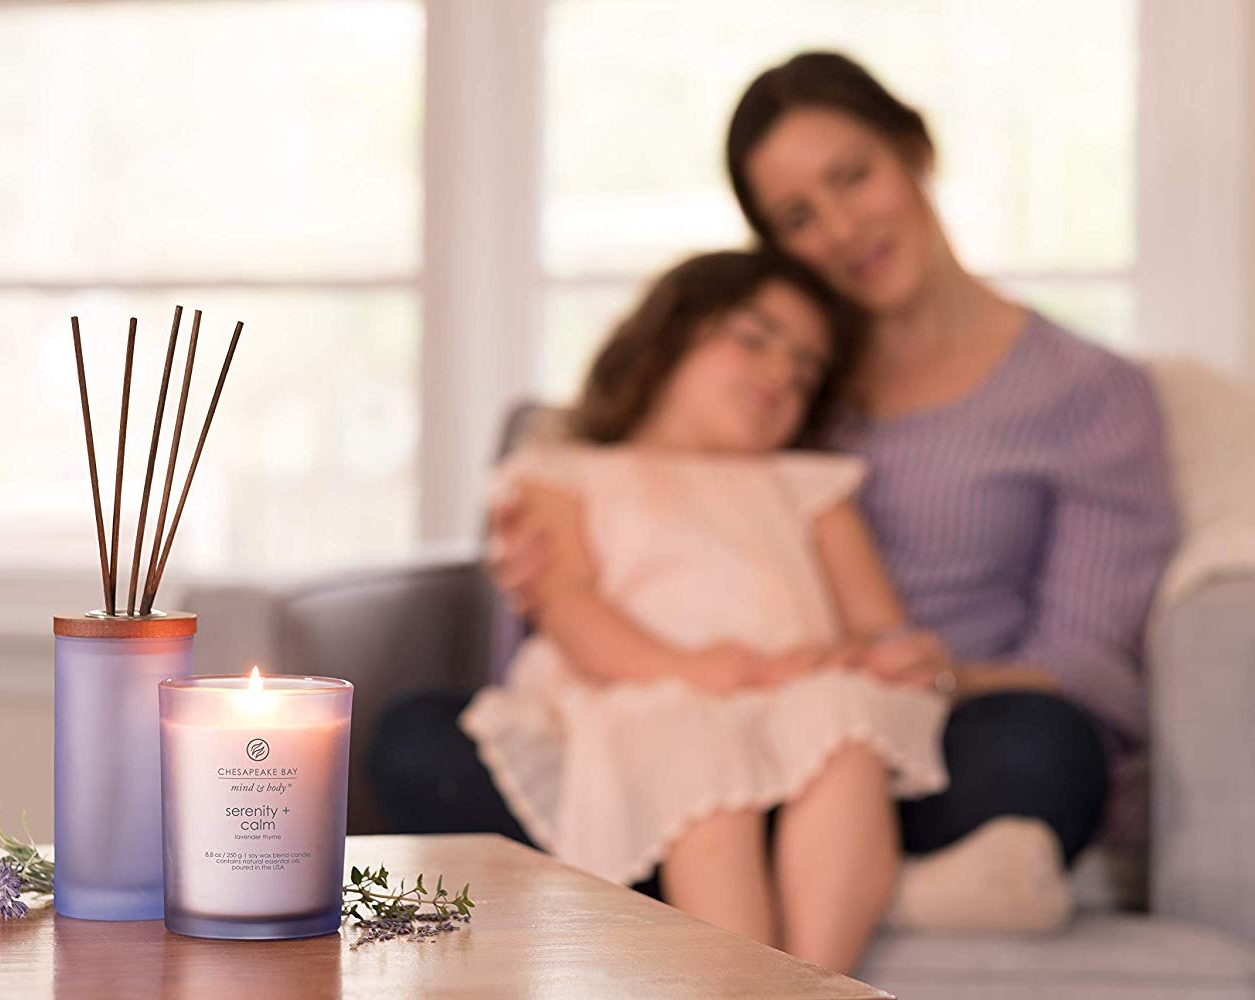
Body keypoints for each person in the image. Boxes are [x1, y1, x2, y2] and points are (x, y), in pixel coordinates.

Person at [491, 49, 1179, 913]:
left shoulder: (1090, 394)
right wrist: (538, 557)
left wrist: (939, 675)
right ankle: (905, 897)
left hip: (923, 730)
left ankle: (787, 892)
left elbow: (1087, 664)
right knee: (424, 741)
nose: (844, 230)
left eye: (853, 176)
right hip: (699, 725)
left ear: (914, 149)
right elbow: (627, 481)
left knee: (1043, 750)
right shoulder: (767, 399)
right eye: (799, 217)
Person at [457, 248, 948, 973]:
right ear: (667, 337)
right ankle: (749, 984)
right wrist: (704, 670)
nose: (781, 373)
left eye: (805, 370)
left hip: (795, 690)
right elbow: (573, 611)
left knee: (848, 725)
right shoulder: (563, 472)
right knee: (693, 751)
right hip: (646, 688)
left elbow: (876, 623)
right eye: (754, 339)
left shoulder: (809, 485)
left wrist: (886, 654)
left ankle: (814, 982)